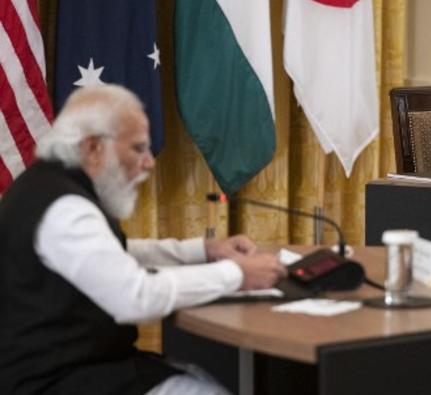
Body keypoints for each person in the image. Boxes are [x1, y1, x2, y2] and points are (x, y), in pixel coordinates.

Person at [0, 85, 287, 395]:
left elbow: (112, 256)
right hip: (55, 382)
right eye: (138, 148)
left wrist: (204, 251)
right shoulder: (65, 209)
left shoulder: (46, 185)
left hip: (75, 370)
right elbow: (135, 298)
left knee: (204, 379)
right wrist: (239, 274)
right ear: (93, 148)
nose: (149, 162)